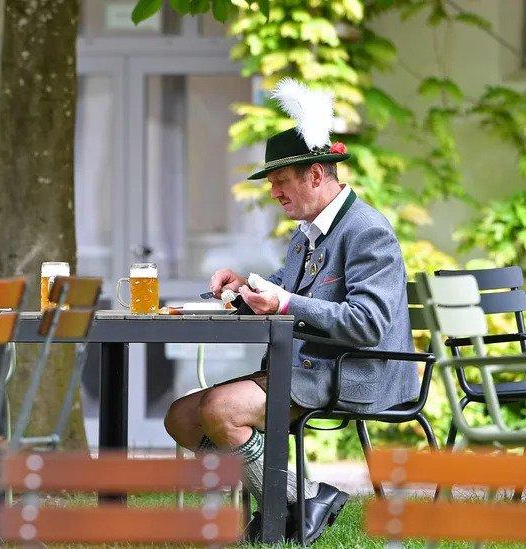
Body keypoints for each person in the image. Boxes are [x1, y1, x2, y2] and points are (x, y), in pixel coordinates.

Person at [163, 79, 417, 544]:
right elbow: (285, 286)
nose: (274, 193)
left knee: (221, 409)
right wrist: (245, 285)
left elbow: (368, 323)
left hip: (358, 371)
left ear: (316, 175)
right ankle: (306, 498)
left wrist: (284, 303)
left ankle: (280, 511)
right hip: (305, 366)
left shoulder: (367, 231)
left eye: (281, 182)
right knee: (181, 416)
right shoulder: (307, 231)